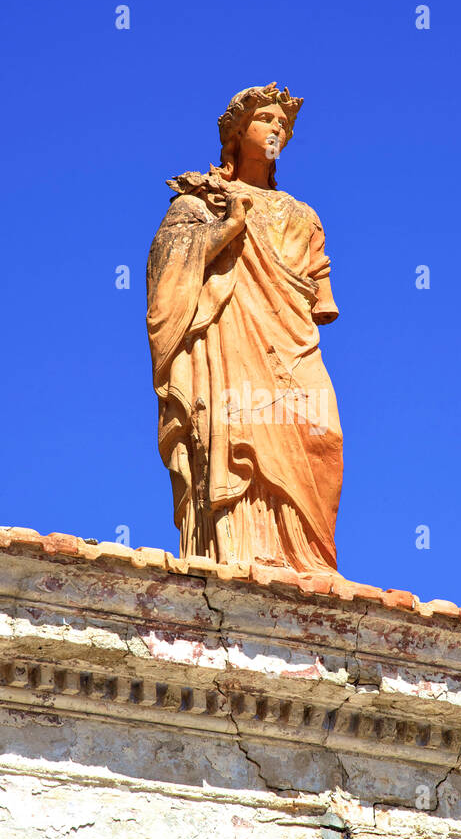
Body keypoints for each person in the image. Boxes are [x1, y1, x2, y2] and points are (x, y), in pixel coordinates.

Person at [146, 83, 343, 572]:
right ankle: (239, 557)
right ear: (237, 133)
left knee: (323, 438)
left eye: (285, 125)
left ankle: (308, 564)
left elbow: (318, 298)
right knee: (238, 439)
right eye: (266, 121)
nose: (277, 129)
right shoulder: (204, 200)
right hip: (230, 350)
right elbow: (164, 274)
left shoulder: (305, 215)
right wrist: (228, 229)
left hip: (293, 349)